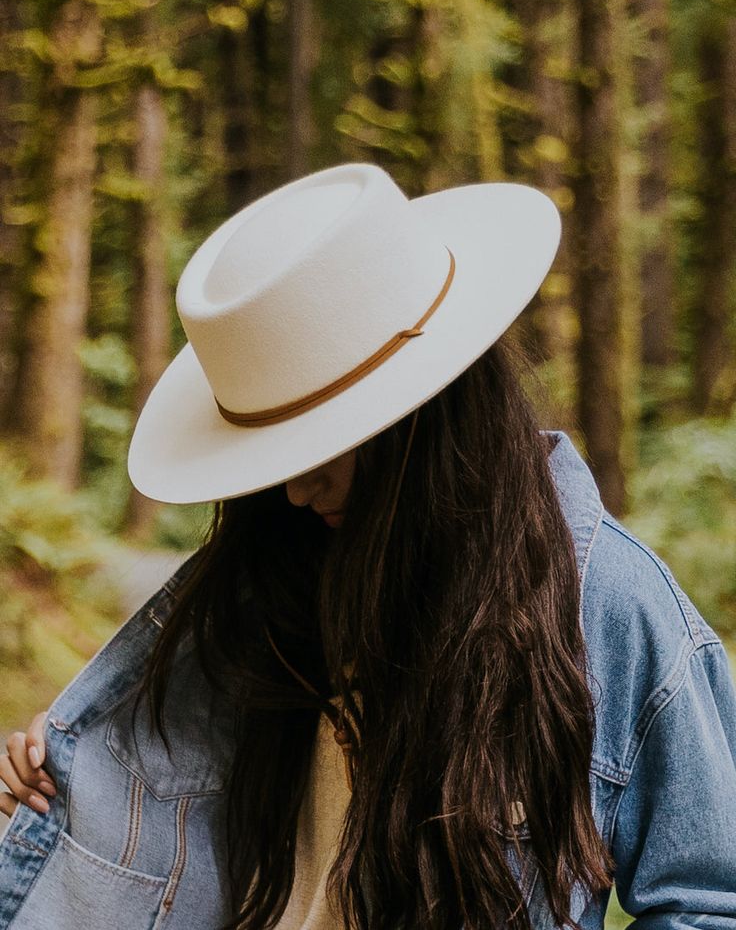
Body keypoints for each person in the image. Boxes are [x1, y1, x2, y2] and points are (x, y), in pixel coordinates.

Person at [1, 163, 735, 930]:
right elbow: (151, 833)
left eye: (324, 447)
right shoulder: (262, 594)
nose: (293, 491)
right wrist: (69, 787)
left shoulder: (610, 610)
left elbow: (711, 902)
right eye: (274, 459)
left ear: (426, 420)